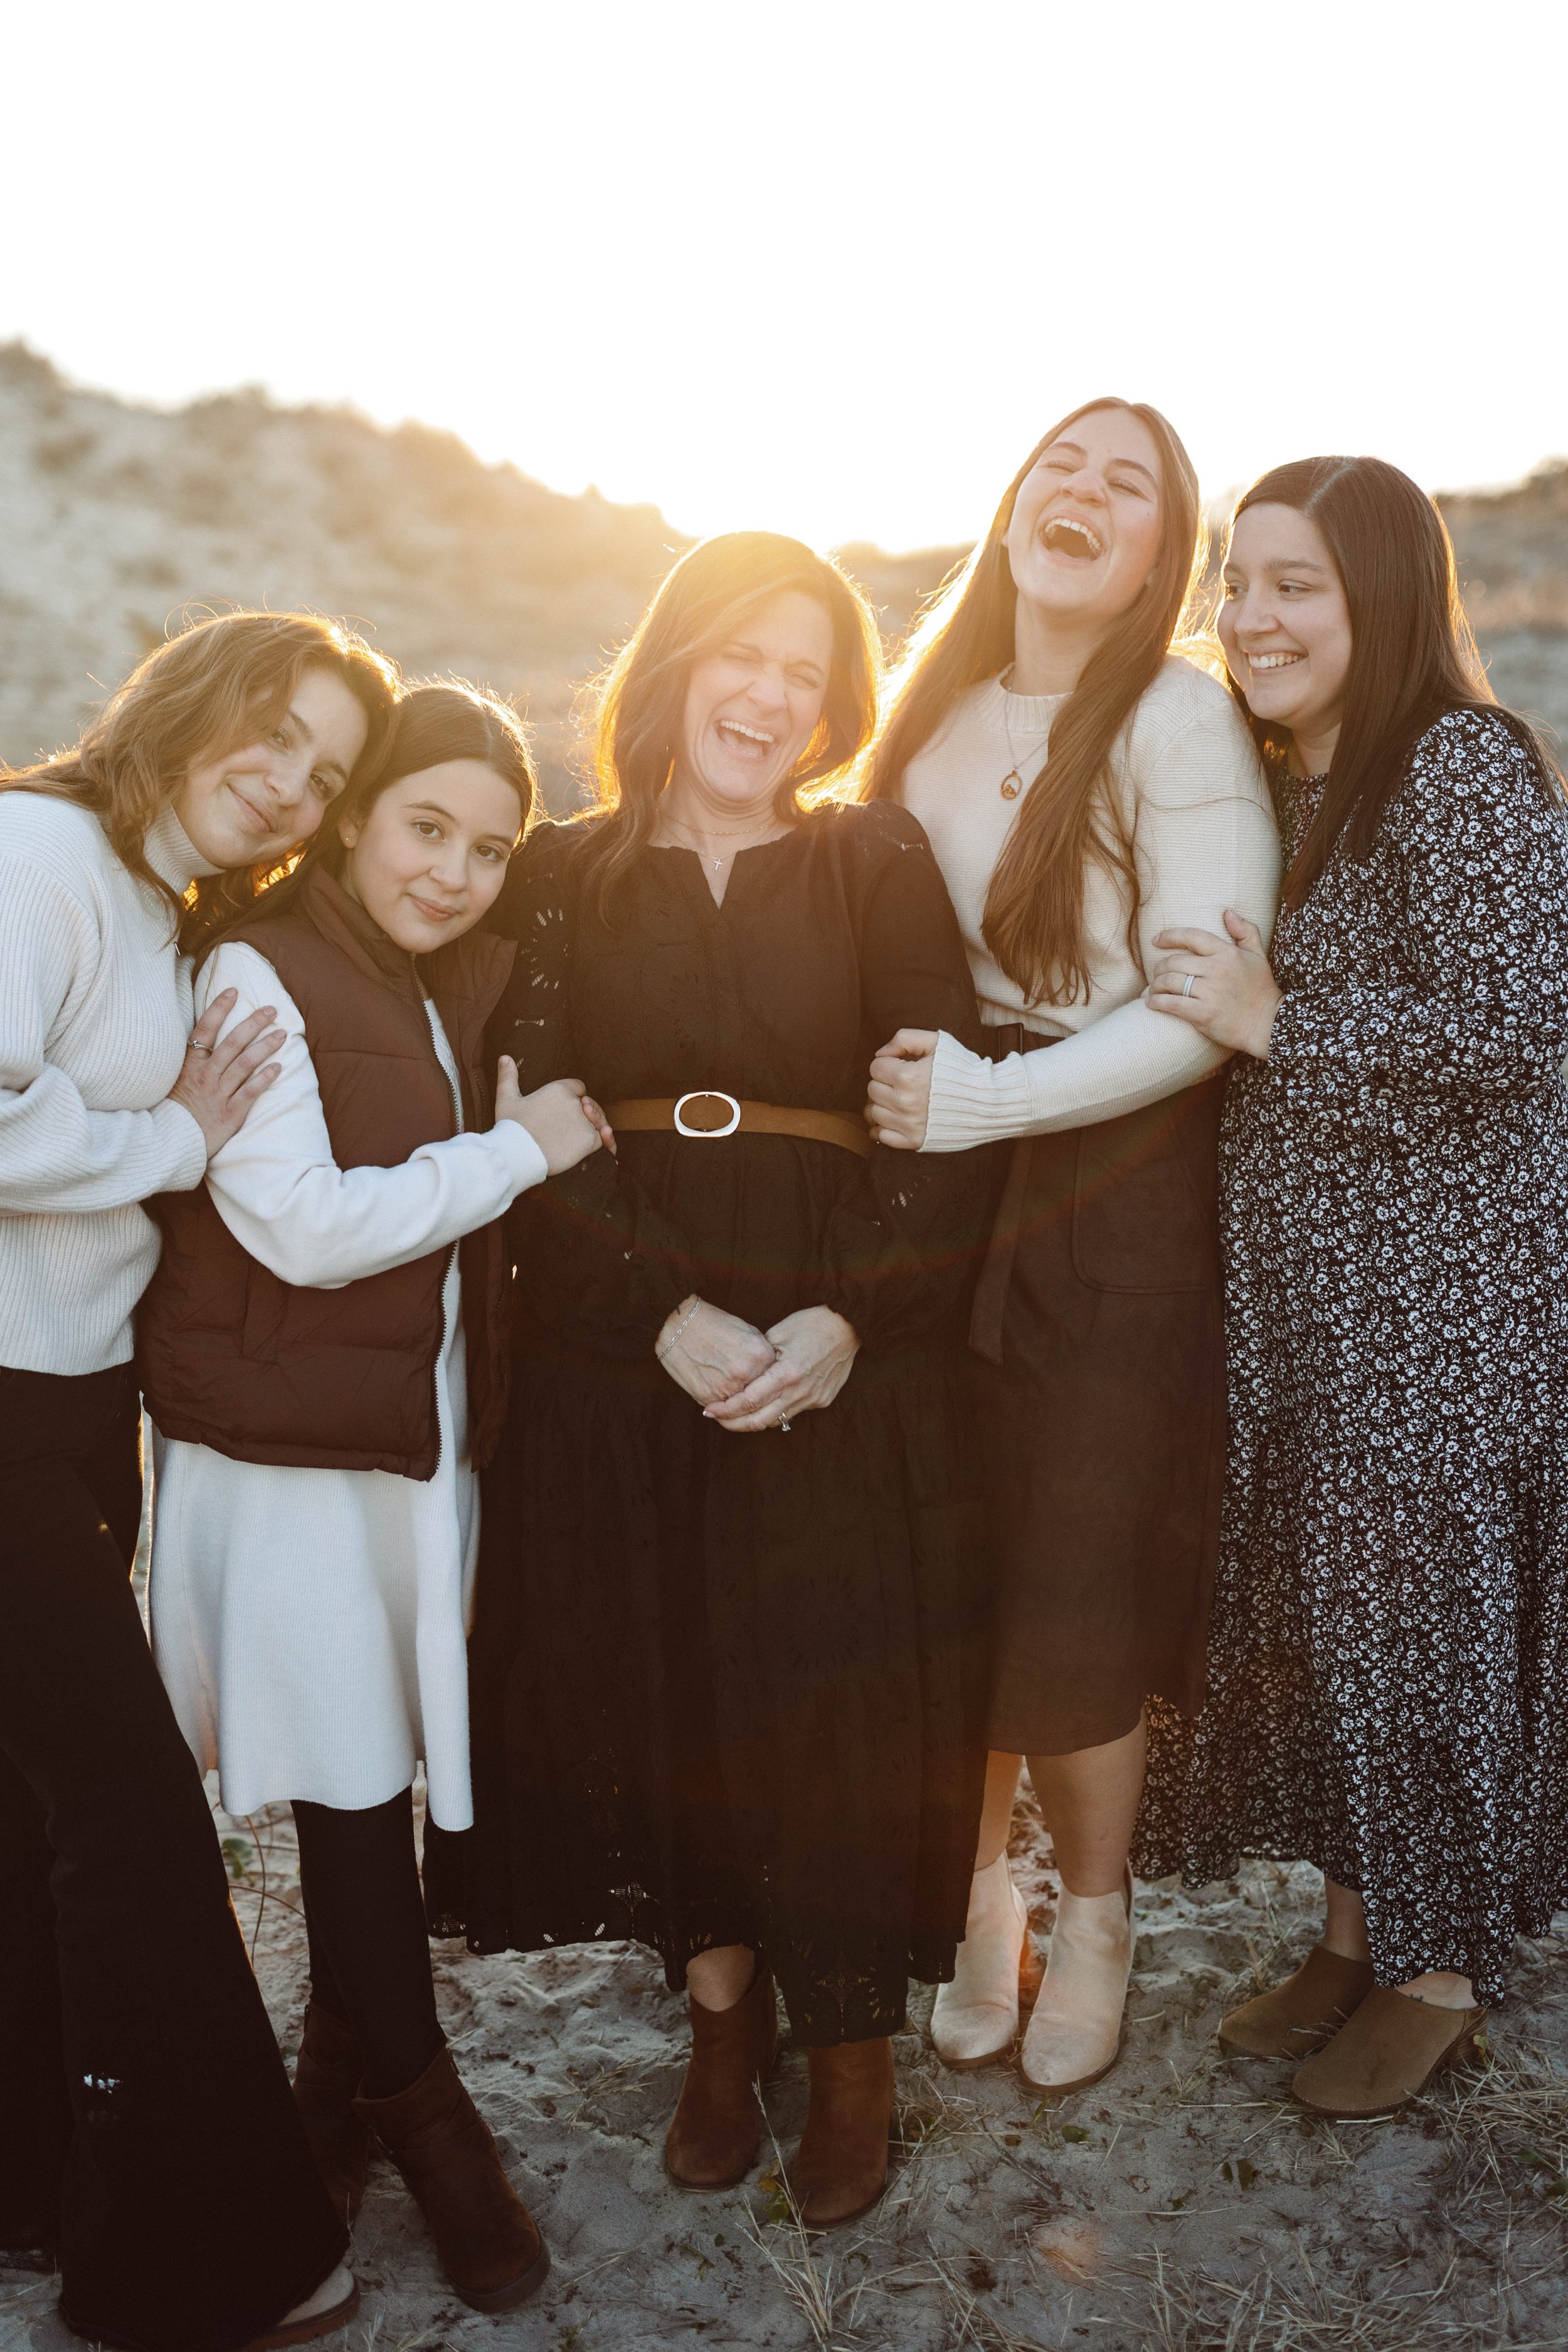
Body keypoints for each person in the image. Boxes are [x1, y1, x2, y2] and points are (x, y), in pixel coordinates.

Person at [433, 532, 991, 2231]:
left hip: (839, 1337)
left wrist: (846, 1323)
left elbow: (941, 1110)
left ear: (831, 710)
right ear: (672, 666)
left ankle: (848, 2055)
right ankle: (721, 2016)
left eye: (802, 673)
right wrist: (659, 1311)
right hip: (630, 1334)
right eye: (737, 655)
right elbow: (532, 1110)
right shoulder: (561, 869)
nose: (764, 694)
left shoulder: (873, 856)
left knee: (829, 1693)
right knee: (664, 1674)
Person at [139, 684, 608, 2312]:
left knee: (376, 1774)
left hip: (410, 1452)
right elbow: (301, 1224)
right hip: (286, 1465)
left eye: (489, 846)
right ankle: (428, 2118)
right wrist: (519, 1153)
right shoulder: (261, 969)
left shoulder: (447, 983)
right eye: (425, 826)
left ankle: (329, 2090)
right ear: (351, 819)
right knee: (345, 1786)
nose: (454, 870)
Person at [1137, 455, 1568, 2117]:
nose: (1250, 617)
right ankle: (1344, 1929)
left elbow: (1522, 1031)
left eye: (1293, 584)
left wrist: (1277, 1025)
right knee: (1324, 1625)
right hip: (1302, 1298)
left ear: (1381, 597)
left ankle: (1439, 1967)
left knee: (1425, 1625)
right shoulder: (1273, 782)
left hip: (1446, 1301)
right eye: (1236, 583)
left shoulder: (1455, 765)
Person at [863, 399, 1280, 2094]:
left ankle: (1092, 1913)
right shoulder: (932, 706)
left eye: (1130, 486)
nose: (1083, 495)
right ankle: (977, 1904)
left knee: (1075, 1569)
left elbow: (1194, 1014)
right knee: (946, 1557)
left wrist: (980, 1111)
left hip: (1108, 1177)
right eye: (1061, 465)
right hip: (934, 1167)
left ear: (1157, 548)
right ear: (1011, 501)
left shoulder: (1178, 722)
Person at [0, 610, 396, 2352]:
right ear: (192, 698)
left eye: (323, 774)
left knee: (30, 1816)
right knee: (128, 1808)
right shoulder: (38, 853)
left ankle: (36, 2191)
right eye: (276, 735)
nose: (287, 784)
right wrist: (178, 1138)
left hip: (74, 1405)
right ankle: (199, 2263)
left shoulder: (162, 914)